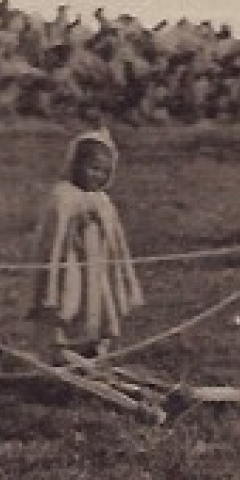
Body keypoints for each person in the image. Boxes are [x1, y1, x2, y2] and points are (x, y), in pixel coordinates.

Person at [28, 128, 145, 365]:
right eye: (92, 168)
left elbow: (116, 241)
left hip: (97, 267)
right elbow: (55, 238)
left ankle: (93, 349)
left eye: (104, 171)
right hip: (71, 266)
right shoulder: (63, 196)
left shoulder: (103, 200)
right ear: (75, 165)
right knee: (69, 303)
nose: (97, 176)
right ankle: (59, 351)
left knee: (98, 304)